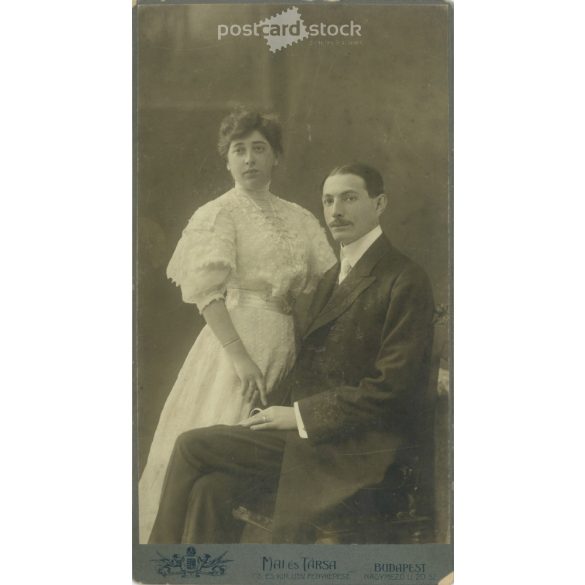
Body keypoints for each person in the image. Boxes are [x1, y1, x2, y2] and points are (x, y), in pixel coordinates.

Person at [149, 163, 435, 545]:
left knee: (190, 445)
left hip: (358, 447)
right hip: (315, 436)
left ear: (379, 203)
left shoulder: (403, 278)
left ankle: (153, 573)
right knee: (210, 488)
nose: (336, 211)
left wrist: (298, 416)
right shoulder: (332, 278)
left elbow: (392, 389)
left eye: (349, 198)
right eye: (328, 200)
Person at [139, 110, 336, 543]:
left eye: (259, 149)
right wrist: (241, 358)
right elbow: (207, 295)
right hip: (233, 346)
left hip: (283, 342)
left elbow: (321, 288)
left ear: (276, 157)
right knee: (209, 445)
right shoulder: (218, 214)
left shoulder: (300, 218)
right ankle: (168, 555)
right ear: (227, 160)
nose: (249, 159)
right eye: (239, 150)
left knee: (236, 469)